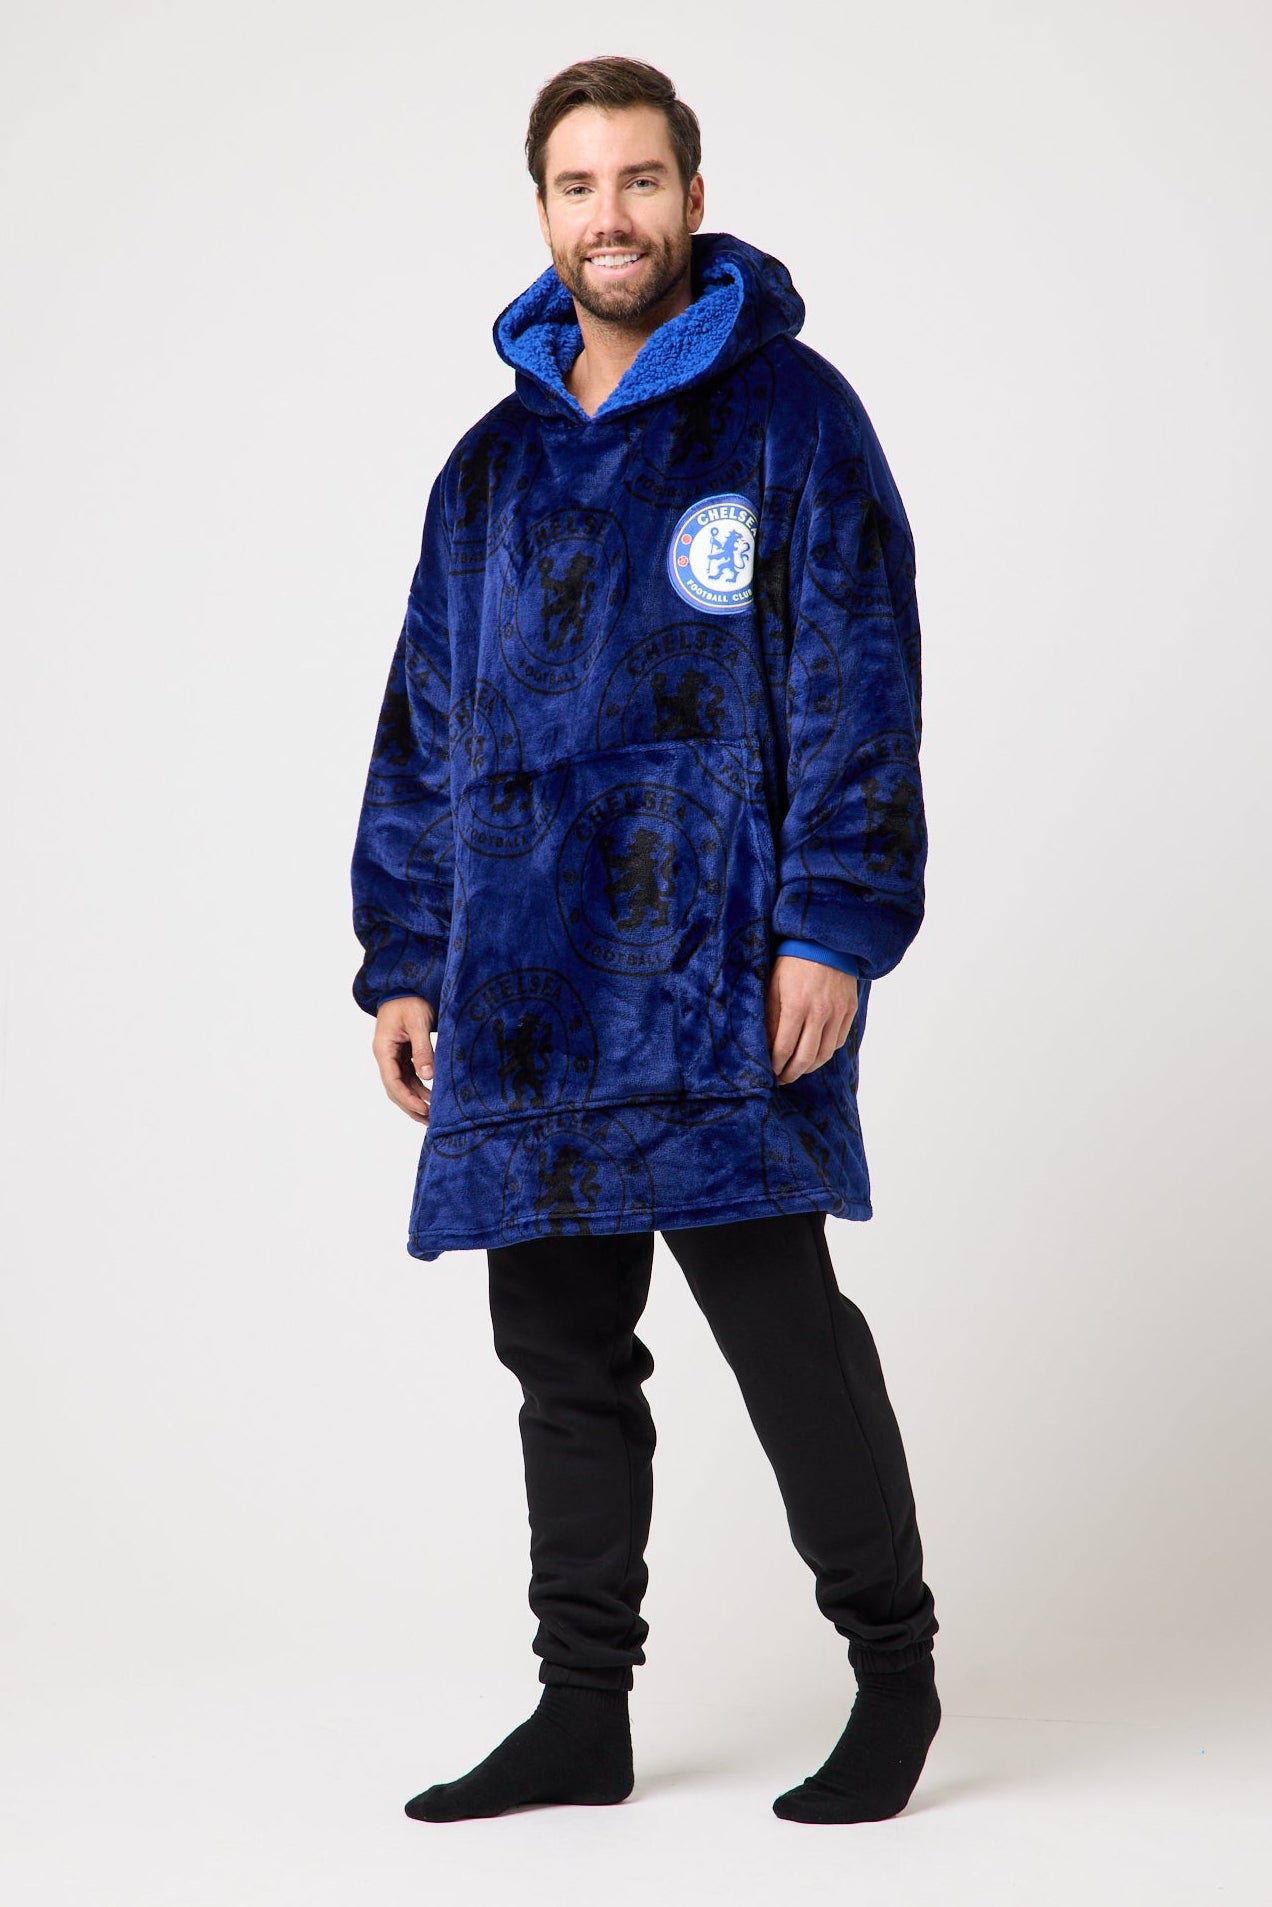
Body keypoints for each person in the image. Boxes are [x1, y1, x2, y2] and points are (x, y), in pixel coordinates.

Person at [349, 54, 941, 1825]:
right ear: (543, 209)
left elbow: (860, 684)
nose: (609, 217)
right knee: (560, 1356)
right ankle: (580, 1710)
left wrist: (832, 922)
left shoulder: (790, 419)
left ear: (692, 193)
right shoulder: (487, 471)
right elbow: (423, 725)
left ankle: (895, 1676)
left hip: (717, 977)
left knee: (784, 1332)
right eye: (576, 186)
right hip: (523, 991)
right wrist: (405, 957)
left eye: (638, 181)